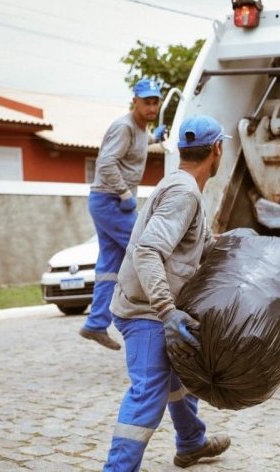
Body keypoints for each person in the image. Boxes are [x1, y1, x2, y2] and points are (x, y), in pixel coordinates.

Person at [103, 115, 232, 470]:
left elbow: (192, 246)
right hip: (145, 310)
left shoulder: (181, 186)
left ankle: (191, 443)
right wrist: (166, 310)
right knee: (148, 394)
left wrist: (235, 245)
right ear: (217, 149)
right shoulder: (184, 192)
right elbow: (148, 250)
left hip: (150, 303)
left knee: (180, 375)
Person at [79, 78, 168, 351]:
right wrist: (124, 194)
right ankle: (163, 315)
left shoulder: (141, 130)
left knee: (109, 268)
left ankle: (95, 324)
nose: (152, 107)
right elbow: (106, 162)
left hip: (107, 202)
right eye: (147, 102)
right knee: (146, 249)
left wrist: (155, 138)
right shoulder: (125, 126)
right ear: (135, 102)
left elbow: (135, 149)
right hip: (110, 202)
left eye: (156, 102)